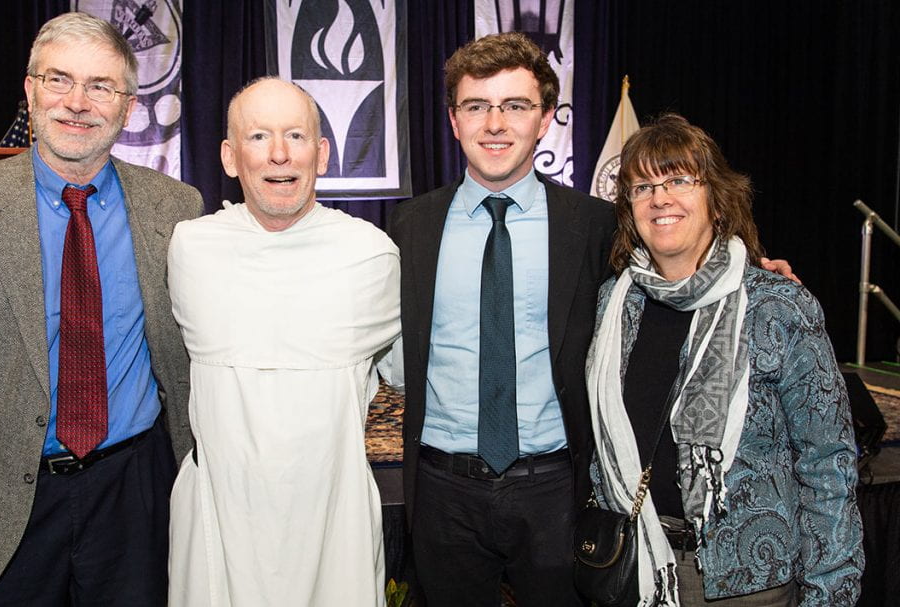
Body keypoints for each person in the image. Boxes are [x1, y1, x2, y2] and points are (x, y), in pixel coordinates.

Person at [0, 12, 203, 605]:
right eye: (59, 80)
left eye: (100, 86)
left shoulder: (176, 207)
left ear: (129, 106)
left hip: (136, 491)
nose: (78, 102)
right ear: (30, 90)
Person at [586, 113, 864, 605]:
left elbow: (828, 463)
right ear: (630, 209)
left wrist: (831, 592)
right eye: (642, 186)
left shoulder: (777, 305)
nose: (660, 198)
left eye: (678, 180)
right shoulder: (615, 302)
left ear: (717, 199)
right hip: (635, 570)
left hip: (748, 583)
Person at [387, 32, 615, 606]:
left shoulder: (593, 226)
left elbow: (670, 269)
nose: (495, 123)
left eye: (514, 106)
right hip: (442, 492)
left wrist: (751, 266)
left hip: (556, 489)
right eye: (476, 106)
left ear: (543, 120)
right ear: (454, 120)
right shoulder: (410, 227)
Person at [166, 77, 399, 607]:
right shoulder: (191, 249)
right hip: (218, 514)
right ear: (229, 157)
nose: (278, 155)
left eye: (295, 136)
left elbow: (406, 373)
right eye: (258, 137)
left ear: (321, 154)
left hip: (333, 518)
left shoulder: (371, 254)